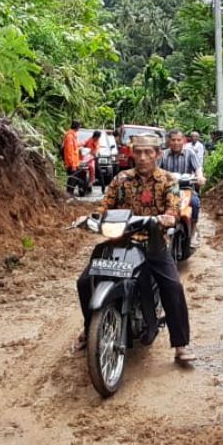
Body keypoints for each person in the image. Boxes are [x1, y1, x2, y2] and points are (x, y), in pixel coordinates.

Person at [75, 135, 196, 363]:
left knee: (172, 286)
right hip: (119, 240)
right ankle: (90, 327)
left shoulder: (168, 180)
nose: (142, 157)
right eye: (138, 152)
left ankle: (181, 343)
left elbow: (173, 208)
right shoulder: (121, 179)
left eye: (148, 152)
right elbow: (104, 205)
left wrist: (168, 218)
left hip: (153, 243)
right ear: (132, 153)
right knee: (85, 281)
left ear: (157, 154)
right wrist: (92, 217)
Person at [159, 129, 206, 243]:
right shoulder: (163, 155)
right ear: (168, 141)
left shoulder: (190, 153)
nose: (176, 143)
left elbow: (198, 168)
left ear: (183, 141)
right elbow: (156, 170)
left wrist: (200, 177)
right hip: (168, 189)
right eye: (173, 140)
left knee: (195, 203)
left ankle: (193, 231)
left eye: (178, 140)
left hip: (186, 188)